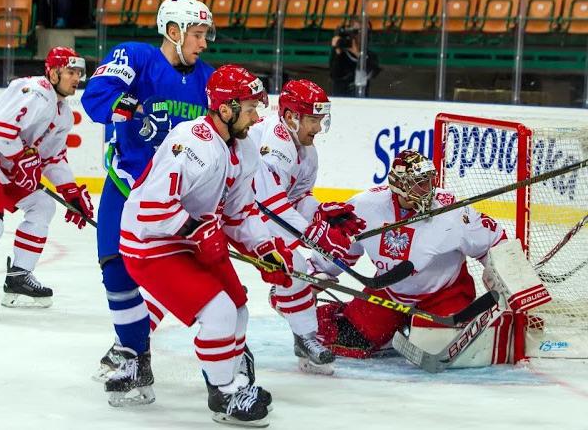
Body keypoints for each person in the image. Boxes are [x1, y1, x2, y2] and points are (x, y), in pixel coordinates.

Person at [117, 64, 289, 426]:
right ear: (225, 109)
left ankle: (230, 373)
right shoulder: (194, 141)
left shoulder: (245, 150)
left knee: (239, 309)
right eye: (251, 107)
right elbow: (152, 210)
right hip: (150, 244)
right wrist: (196, 228)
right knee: (219, 313)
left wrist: (265, 248)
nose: (257, 117)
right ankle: (223, 392)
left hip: (191, 236)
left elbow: (239, 214)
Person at [80, 0, 215, 396]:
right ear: (173, 31)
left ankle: (229, 360)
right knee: (115, 269)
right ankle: (135, 356)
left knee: (188, 279)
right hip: (127, 186)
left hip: (181, 198)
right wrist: (129, 105)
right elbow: (96, 97)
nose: (204, 43)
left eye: (206, 34)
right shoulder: (136, 56)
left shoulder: (209, 78)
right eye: (198, 33)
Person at [308, 149, 508, 359]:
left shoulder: (453, 212)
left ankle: (412, 326)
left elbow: (494, 241)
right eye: (421, 183)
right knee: (350, 339)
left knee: (439, 346)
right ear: (400, 185)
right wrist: (316, 275)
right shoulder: (365, 206)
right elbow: (339, 248)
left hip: (444, 293)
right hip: (389, 293)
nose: (429, 189)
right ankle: (386, 327)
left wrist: (498, 272)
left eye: (430, 181)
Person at [0, 46, 93, 321]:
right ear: (52, 73)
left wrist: (71, 192)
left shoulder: (63, 113)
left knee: (42, 206)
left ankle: (18, 278)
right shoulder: (36, 92)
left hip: (5, 163)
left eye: (79, 73)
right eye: (71, 72)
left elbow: (53, 157)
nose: (76, 78)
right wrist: (23, 158)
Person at [247, 79, 362, 374]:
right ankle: (305, 336)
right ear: (290, 116)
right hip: (233, 212)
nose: (317, 127)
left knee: (296, 267)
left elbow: (297, 198)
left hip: (256, 210)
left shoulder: (307, 151)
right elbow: (270, 206)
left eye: (320, 119)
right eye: (312, 119)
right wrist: (314, 235)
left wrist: (322, 215)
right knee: (294, 267)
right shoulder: (275, 145)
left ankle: (305, 339)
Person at [329, 17, 380, 97]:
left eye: (365, 32)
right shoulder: (342, 53)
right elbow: (334, 75)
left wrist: (357, 54)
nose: (361, 35)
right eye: (357, 32)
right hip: (341, 98)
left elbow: (372, 73)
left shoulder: (370, 55)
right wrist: (338, 52)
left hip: (360, 98)